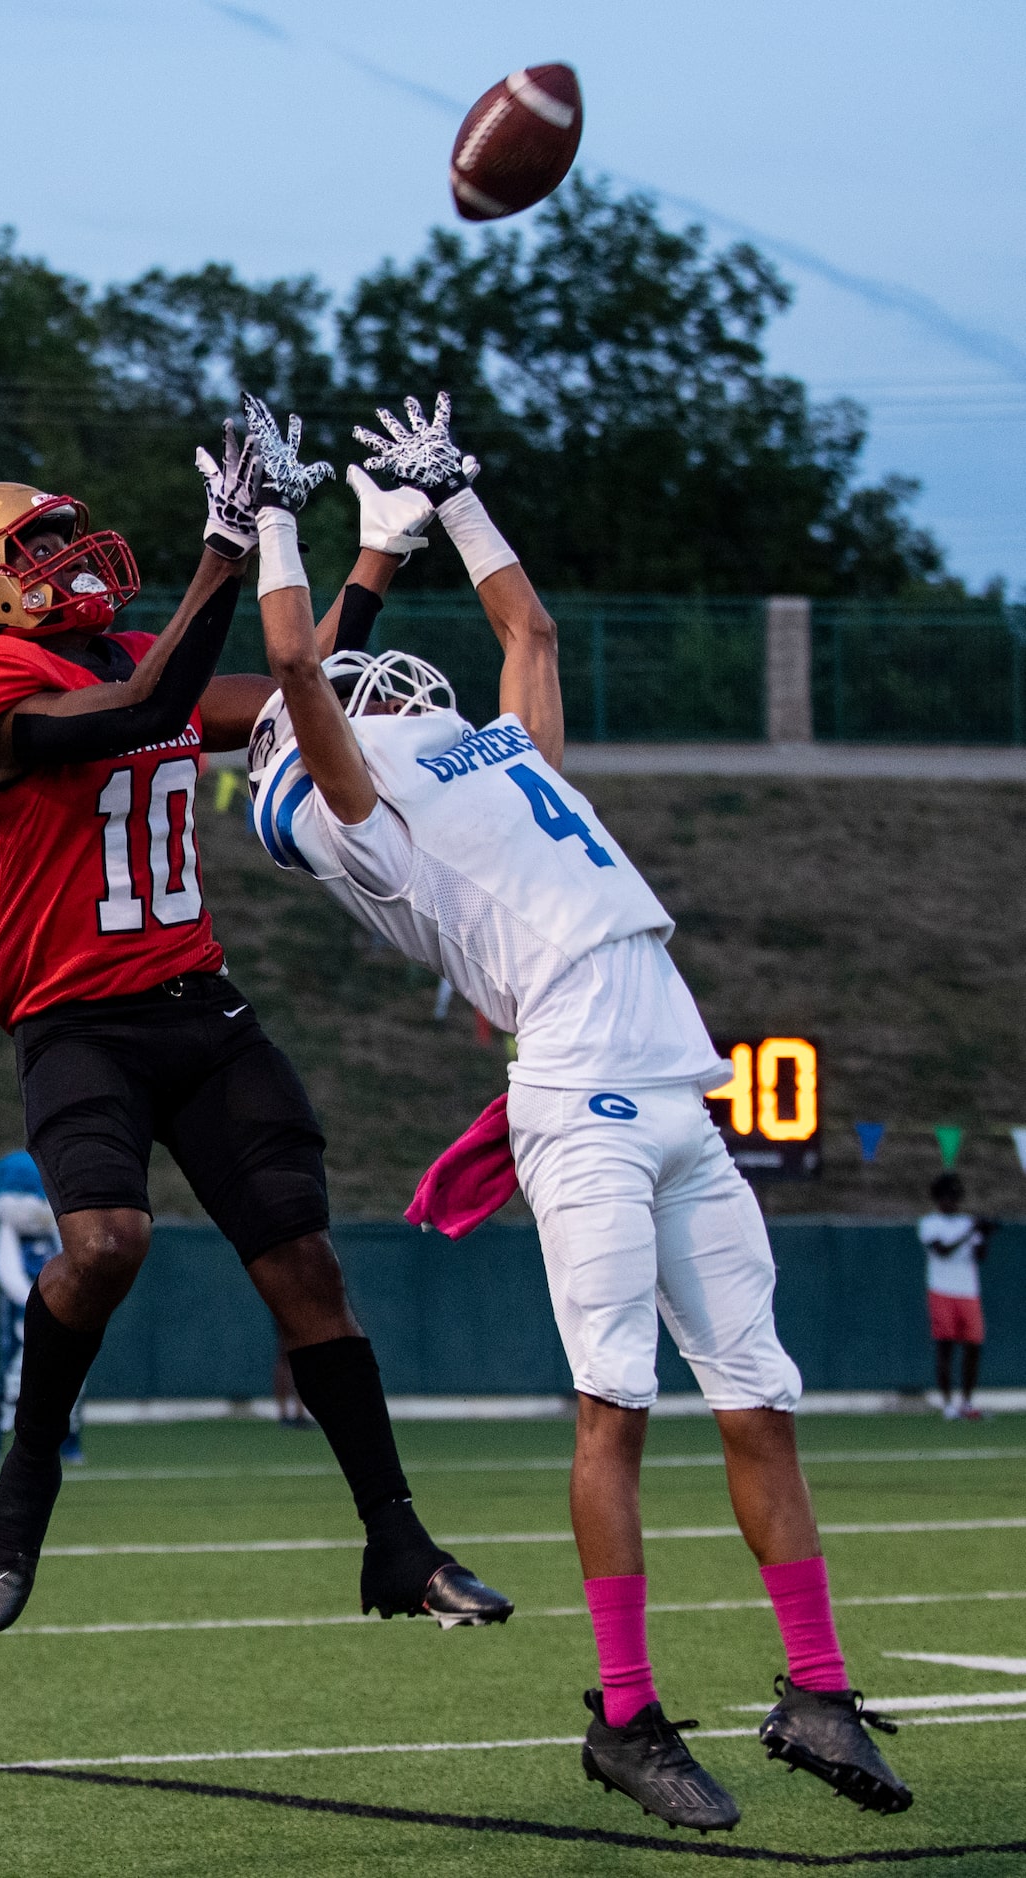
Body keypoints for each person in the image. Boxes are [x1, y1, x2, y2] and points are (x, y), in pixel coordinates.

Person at [242, 389, 913, 1833]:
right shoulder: (368, 814)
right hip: (586, 1104)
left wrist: (453, 493)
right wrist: (281, 514)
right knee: (616, 1404)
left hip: (680, 1087)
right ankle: (623, 1712)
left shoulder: (488, 754)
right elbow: (296, 656)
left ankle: (815, 1686)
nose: (381, 692)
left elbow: (530, 637)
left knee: (762, 1399)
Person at [0, 435, 511, 1638]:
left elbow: (302, 687)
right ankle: (25, 1490)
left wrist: (380, 548)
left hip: (197, 1004)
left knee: (307, 1270)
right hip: (75, 1019)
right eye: (31, 551)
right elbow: (140, 708)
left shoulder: (140, 654)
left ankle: (397, 1541)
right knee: (108, 1244)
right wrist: (227, 549)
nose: (63, 558)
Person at [0, 1151, 83, 1466]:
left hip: (63, 1314)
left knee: (69, 1375)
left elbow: (71, 1261)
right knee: (13, 1377)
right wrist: (35, 1301)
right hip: (23, 1316)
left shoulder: (57, 1232)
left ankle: (69, 1440)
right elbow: (6, 1269)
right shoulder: (10, 1235)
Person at [918, 1172, 996, 1421]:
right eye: (947, 1197)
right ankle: (948, 1405)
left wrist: (984, 1234)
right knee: (946, 1348)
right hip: (942, 1290)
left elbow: (979, 1256)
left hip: (968, 1291)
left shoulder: (967, 1222)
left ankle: (968, 1401)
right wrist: (970, 1231)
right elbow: (941, 1250)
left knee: (973, 1347)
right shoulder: (930, 1223)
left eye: (955, 1197)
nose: (951, 1202)